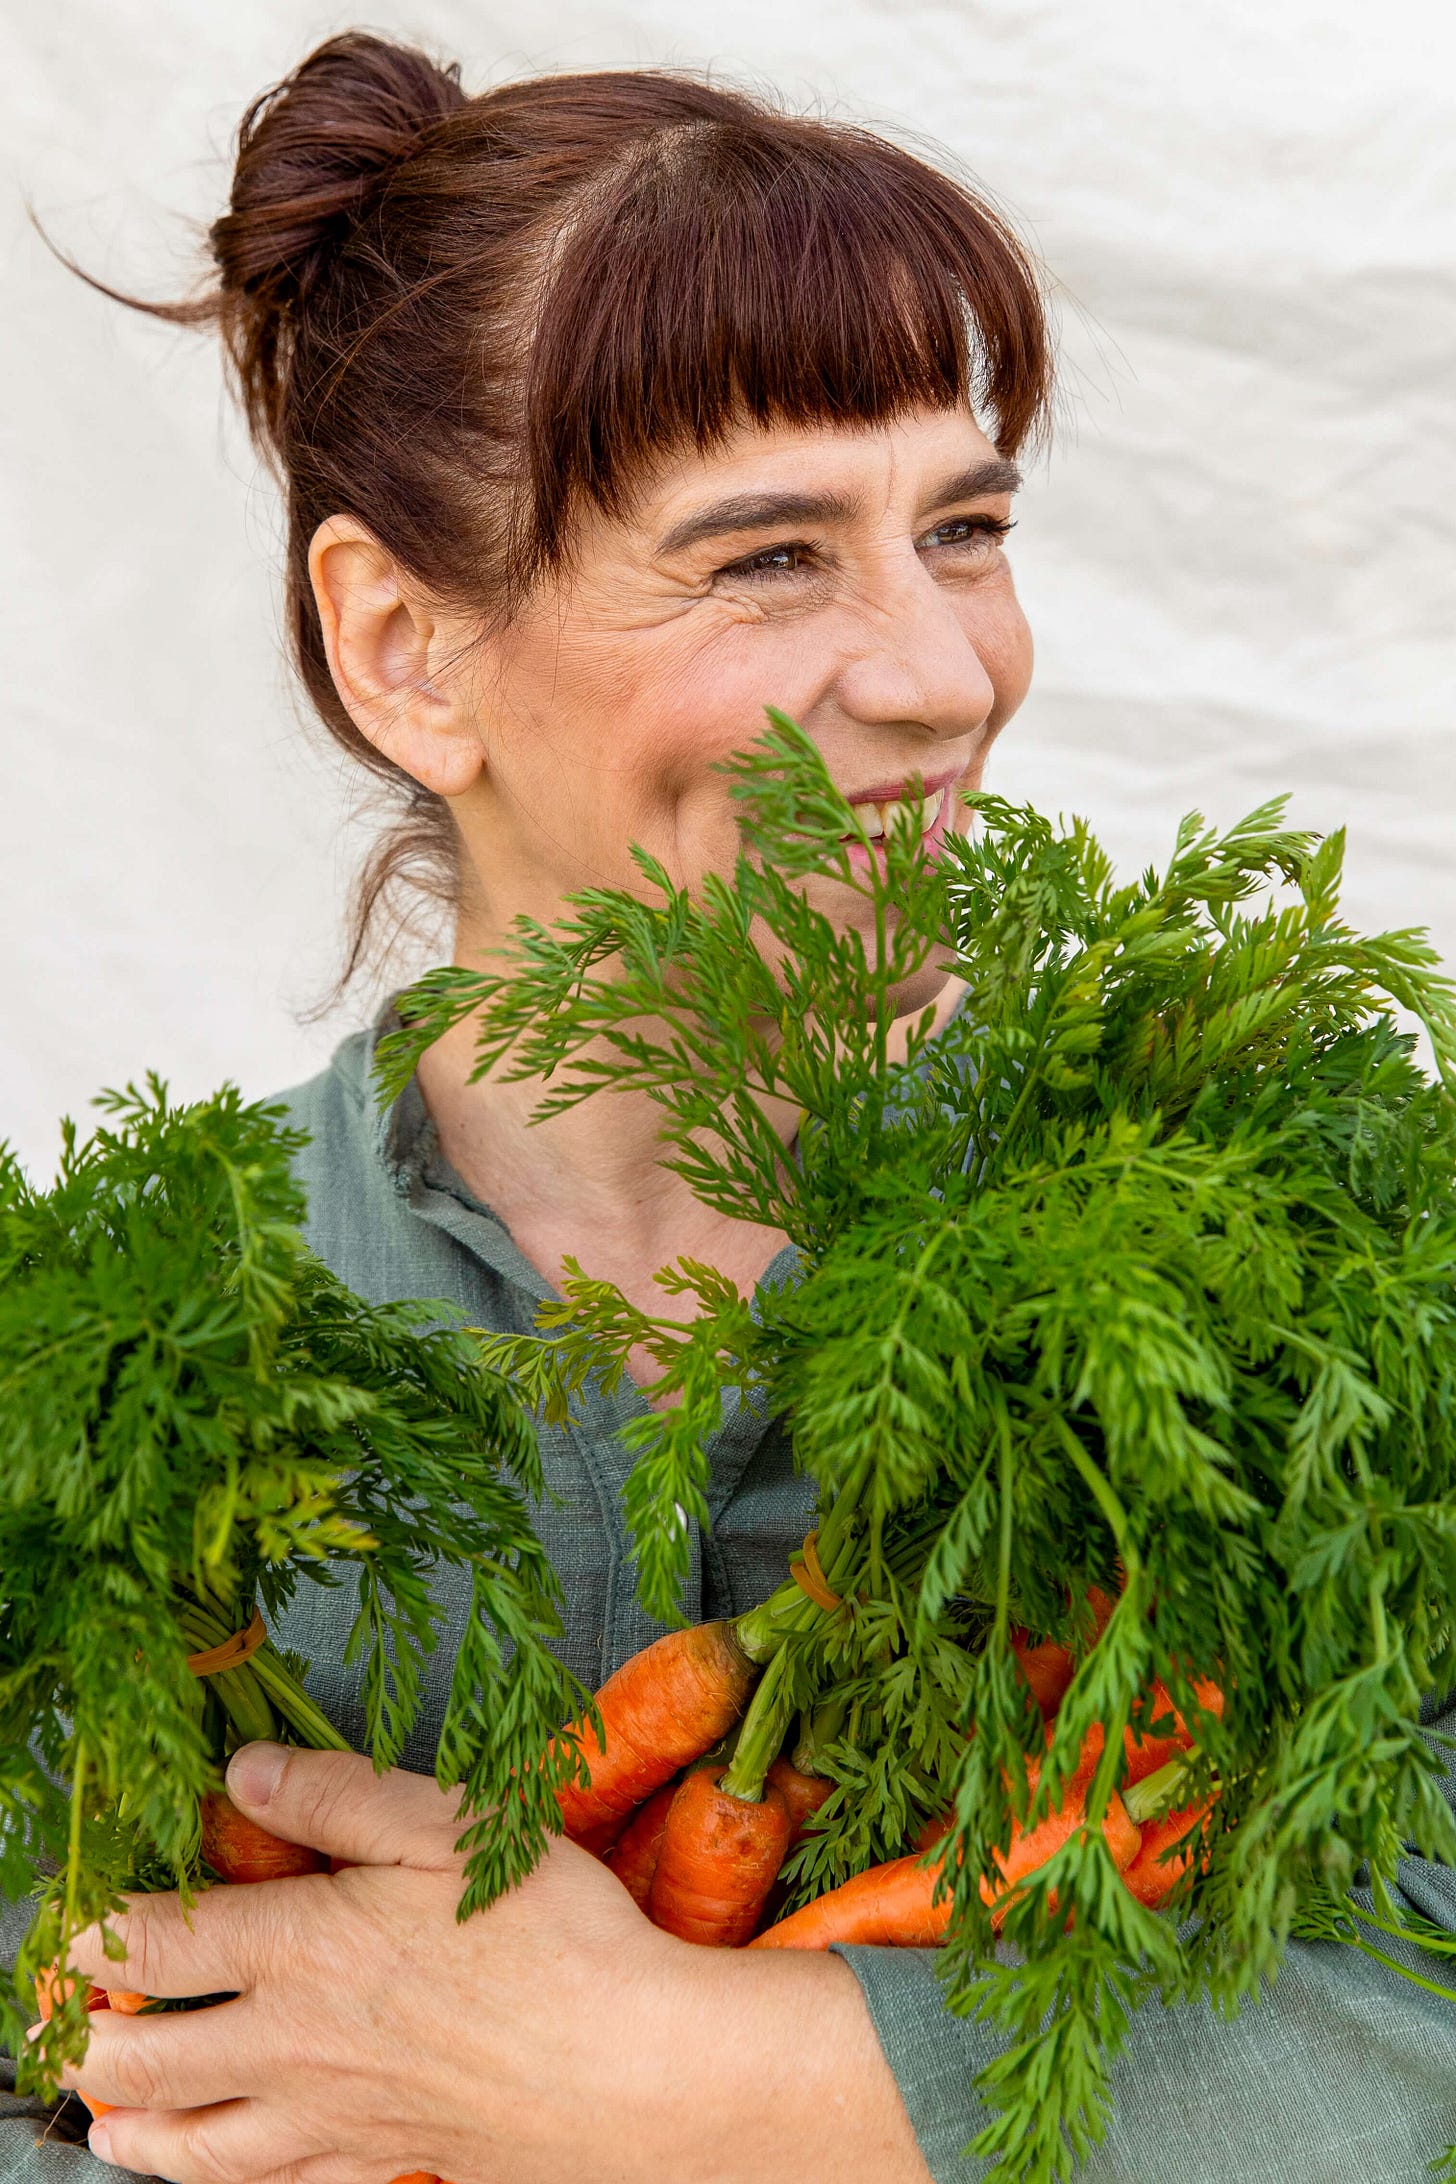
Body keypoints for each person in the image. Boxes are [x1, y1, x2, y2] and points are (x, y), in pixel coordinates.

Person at [4, 31, 1456, 2184]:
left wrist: (661, 2084)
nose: (942, 674)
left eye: (960, 528)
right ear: (405, 649)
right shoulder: (119, 1369)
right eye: (769, 556)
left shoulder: (1305, 1246)